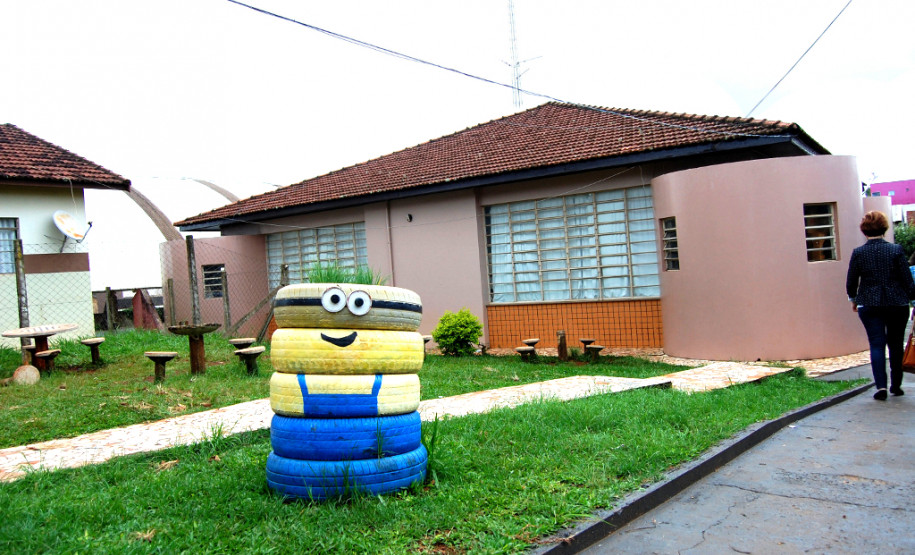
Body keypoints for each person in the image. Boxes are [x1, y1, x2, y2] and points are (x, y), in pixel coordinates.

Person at [846, 211, 915, 400]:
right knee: (895, 344)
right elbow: (907, 279)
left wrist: (853, 299)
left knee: (876, 344)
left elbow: (851, 280)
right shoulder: (896, 250)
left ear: (864, 229)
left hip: (869, 303)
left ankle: (881, 387)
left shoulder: (859, 253)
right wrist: (912, 298)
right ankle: (896, 385)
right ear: (885, 227)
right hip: (896, 303)